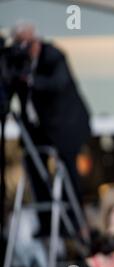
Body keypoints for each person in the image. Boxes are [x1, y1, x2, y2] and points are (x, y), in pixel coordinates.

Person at [11, 22, 91, 237]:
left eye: (28, 43)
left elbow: (57, 83)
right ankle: (47, 222)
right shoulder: (19, 63)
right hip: (39, 129)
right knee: (33, 166)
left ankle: (74, 222)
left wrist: (30, 79)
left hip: (65, 127)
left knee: (68, 172)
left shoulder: (53, 56)